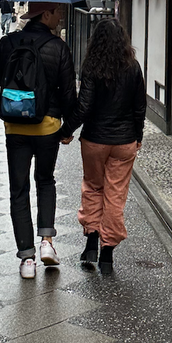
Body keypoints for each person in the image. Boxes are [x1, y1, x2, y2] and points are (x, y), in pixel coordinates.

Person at [0, 2, 77, 279]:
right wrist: (68, 127)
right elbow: (68, 95)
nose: (61, 16)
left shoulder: (8, 42)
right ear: (46, 14)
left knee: (18, 189)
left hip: (14, 126)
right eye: (58, 12)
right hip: (47, 126)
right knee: (46, 181)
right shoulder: (58, 47)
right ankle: (46, 243)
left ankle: (26, 259)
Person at [59, 19, 145, 273]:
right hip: (124, 142)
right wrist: (137, 136)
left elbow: (83, 107)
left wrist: (65, 131)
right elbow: (139, 107)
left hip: (95, 140)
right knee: (115, 195)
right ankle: (108, 252)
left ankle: (91, 242)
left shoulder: (92, 67)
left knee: (93, 188)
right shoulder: (133, 67)